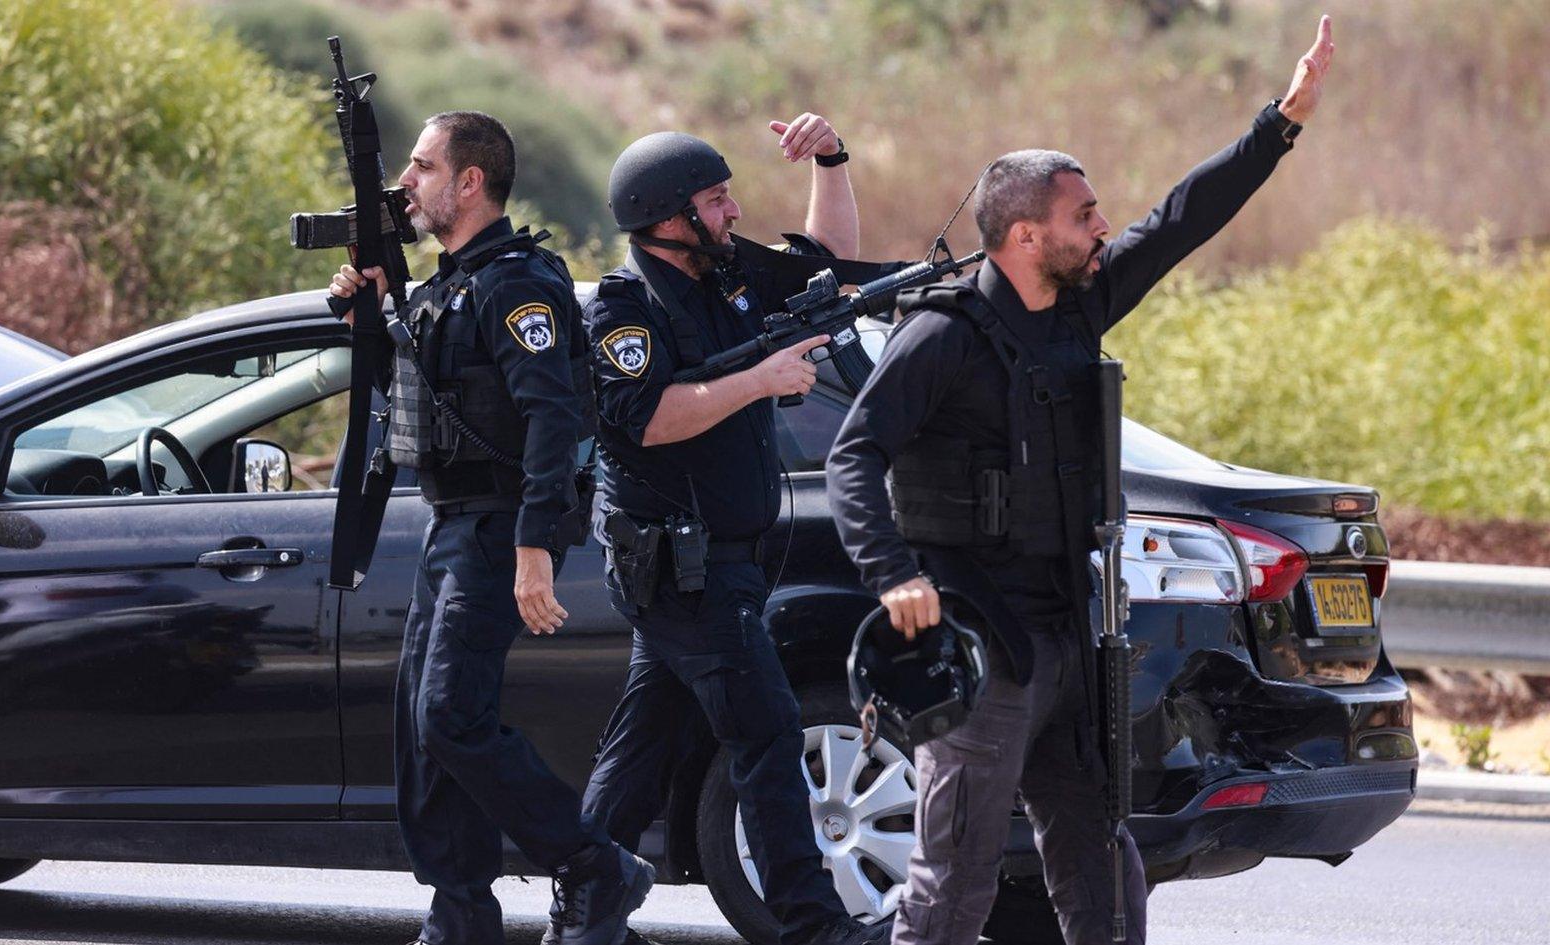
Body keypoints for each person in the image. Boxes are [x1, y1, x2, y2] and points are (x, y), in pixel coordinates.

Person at [823, 16, 1336, 945]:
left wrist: (1280, 123)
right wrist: (893, 572)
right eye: (1084, 216)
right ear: (1026, 234)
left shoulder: (1079, 302)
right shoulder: (942, 337)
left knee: (1099, 854)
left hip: (1069, 633)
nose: (1105, 227)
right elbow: (853, 452)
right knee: (955, 880)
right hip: (980, 646)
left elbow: (1179, 221)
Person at [567, 116, 890, 945]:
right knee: (769, 733)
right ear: (668, 218)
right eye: (716, 201)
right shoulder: (626, 305)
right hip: (682, 565)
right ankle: (814, 925)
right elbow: (644, 418)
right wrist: (759, 380)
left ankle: (583, 917)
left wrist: (831, 159)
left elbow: (826, 267)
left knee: (641, 749)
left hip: (726, 560)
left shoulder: (727, 277)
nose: (734, 211)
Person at [331, 110, 649, 945]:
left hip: (500, 525)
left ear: (470, 182)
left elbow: (553, 418)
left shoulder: (517, 283)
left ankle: (593, 863)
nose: (408, 182)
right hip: (453, 525)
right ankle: (462, 913)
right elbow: (420, 392)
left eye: (423, 166)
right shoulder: (451, 283)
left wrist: (535, 548)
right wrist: (363, 311)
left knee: (451, 717)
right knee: (422, 727)